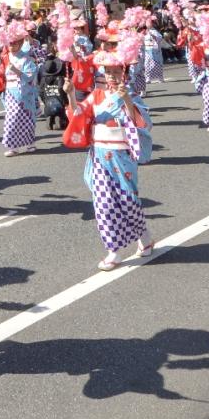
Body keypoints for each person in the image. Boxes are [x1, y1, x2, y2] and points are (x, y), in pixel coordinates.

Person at [78, 50, 154, 271]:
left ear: (124, 72)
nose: (111, 76)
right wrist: (72, 95)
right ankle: (114, 251)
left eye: (116, 72)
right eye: (108, 72)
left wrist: (127, 99)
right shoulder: (96, 95)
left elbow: (142, 124)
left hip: (122, 155)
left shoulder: (131, 95)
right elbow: (79, 115)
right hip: (100, 155)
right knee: (104, 203)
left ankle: (145, 238)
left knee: (127, 200)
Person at [1, 38, 39, 157]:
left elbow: (30, 75)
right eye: (9, 43)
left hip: (23, 92)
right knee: (11, 119)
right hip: (10, 92)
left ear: (21, 43)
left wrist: (17, 71)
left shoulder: (25, 58)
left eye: (14, 43)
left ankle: (30, 142)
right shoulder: (5, 58)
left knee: (27, 118)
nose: (11, 45)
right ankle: (13, 146)